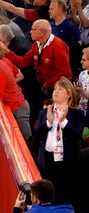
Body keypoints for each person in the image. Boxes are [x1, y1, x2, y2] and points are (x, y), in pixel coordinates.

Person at [33, 77, 84, 205]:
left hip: (66, 161)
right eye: (55, 89)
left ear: (69, 94)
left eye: (60, 89)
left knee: (64, 195)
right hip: (47, 159)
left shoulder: (77, 114)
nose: (55, 91)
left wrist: (64, 122)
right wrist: (48, 123)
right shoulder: (44, 112)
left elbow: (77, 136)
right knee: (46, 196)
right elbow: (36, 134)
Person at [0, 19, 71, 98]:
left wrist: (47, 85)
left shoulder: (58, 46)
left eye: (33, 29)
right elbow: (24, 62)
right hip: (40, 84)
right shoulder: (36, 44)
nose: (30, 32)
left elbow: (65, 73)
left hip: (54, 89)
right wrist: (7, 52)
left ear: (42, 32)